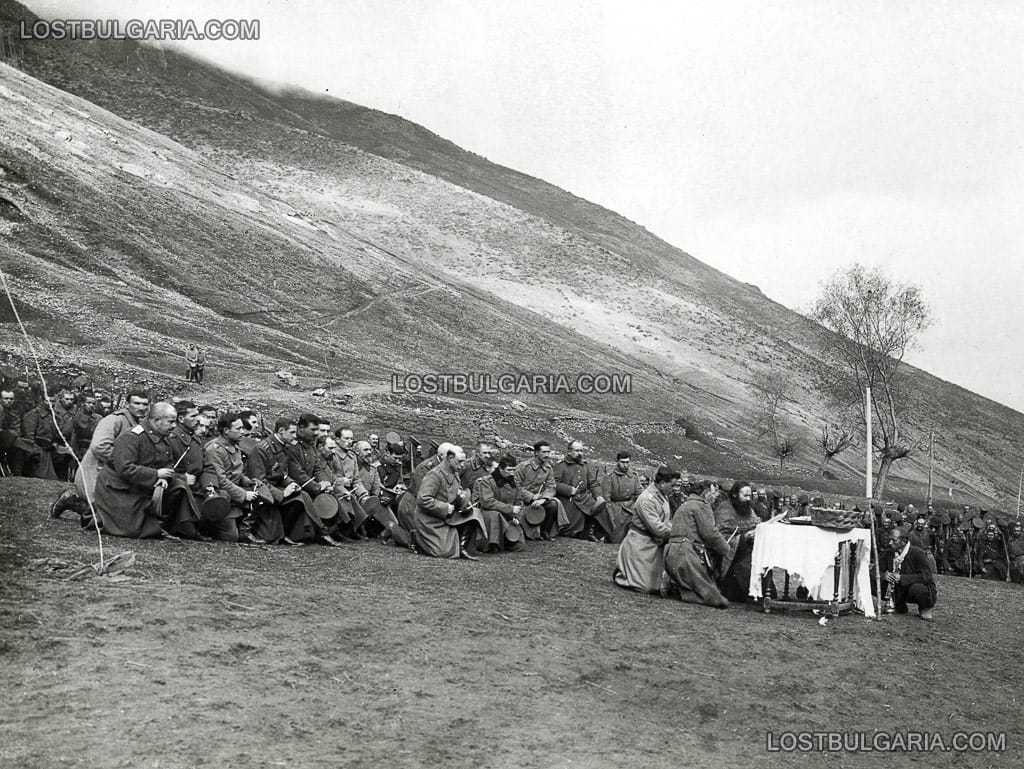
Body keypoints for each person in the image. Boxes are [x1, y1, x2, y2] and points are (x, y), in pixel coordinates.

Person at [92, 402, 199, 539]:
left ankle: (162, 525)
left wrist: (163, 477)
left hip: (144, 486)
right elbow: (125, 469)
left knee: (179, 486)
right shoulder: (131, 437)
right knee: (128, 530)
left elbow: (167, 463)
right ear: (156, 421)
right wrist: (155, 474)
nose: (174, 426)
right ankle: (80, 505)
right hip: (120, 488)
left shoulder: (164, 438)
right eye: (171, 422)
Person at [50, 390, 151, 521]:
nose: (141, 408)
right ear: (127, 404)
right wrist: (125, 462)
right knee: (107, 516)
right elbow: (100, 447)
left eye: (145, 404)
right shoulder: (114, 420)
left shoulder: (138, 424)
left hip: (114, 473)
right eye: (137, 403)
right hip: (95, 472)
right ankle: (70, 500)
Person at [661, 477, 731, 607]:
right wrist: (726, 549)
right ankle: (674, 585)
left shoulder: (685, 505)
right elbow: (710, 533)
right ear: (705, 494)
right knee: (718, 599)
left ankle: (673, 583)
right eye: (713, 493)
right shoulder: (702, 506)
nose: (715, 496)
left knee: (698, 586)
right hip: (687, 554)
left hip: (670, 552)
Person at [613, 466, 678, 593]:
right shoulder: (646, 499)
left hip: (653, 543)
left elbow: (665, 520)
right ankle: (622, 573)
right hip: (640, 543)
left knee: (655, 586)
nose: (674, 488)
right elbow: (657, 528)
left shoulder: (662, 495)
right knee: (644, 587)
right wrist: (677, 532)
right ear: (662, 483)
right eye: (672, 485)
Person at [415, 445, 485, 559]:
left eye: (463, 461)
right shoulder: (434, 475)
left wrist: (463, 498)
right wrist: (445, 507)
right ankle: (417, 539)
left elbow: (457, 489)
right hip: (430, 518)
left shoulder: (455, 472)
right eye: (460, 461)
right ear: (450, 458)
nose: (462, 465)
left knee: (474, 513)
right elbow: (423, 499)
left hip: (447, 515)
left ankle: (463, 547)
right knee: (443, 552)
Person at [205, 412, 260, 542]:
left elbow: (236, 472)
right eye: (238, 429)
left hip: (233, 493)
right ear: (226, 431)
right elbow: (220, 480)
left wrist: (247, 481)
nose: (242, 432)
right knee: (231, 537)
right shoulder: (215, 449)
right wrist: (244, 494)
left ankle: (245, 530)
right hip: (221, 496)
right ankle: (206, 527)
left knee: (261, 492)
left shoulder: (234, 446)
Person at [714, 481, 759, 602]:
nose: (748, 499)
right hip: (732, 553)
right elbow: (721, 535)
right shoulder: (724, 508)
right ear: (735, 495)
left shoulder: (749, 509)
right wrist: (744, 537)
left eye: (750, 496)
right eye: (745, 496)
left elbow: (756, 522)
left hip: (747, 548)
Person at [514, 441, 568, 540]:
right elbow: (516, 486)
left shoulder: (548, 469)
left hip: (539, 499)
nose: (547, 455)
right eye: (544, 452)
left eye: (548, 452)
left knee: (553, 505)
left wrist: (543, 499)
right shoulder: (523, 467)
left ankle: (545, 531)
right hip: (522, 499)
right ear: (536, 453)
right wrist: (531, 497)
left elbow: (551, 487)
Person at [553, 440, 605, 541]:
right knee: (569, 526)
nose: (580, 453)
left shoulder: (584, 466)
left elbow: (593, 483)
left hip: (583, 497)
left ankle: (589, 532)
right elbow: (554, 483)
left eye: (581, 450)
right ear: (569, 451)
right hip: (568, 499)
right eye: (577, 451)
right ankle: (575, 532)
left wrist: (598, 495)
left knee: (598, 506)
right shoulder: (561, 466)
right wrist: (569, 490)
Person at [473, 454, 525, 552]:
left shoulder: (515, 483)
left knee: (519, 546)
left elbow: (518, 501)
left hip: (508, 515)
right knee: (495, 515)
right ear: (500, 469)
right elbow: (487, 502)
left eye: (514, 470)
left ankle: (504, 541)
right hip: (489, 515)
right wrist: (510, 509)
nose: (512, 473)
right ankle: (492, 543)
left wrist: (516, 517)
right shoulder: (487, 481)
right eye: (509, 470)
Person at [884, 526, 937, 621]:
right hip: (897, 588)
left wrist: (902, 578)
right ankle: (898, 604)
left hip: (913, 587)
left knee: (919, 589)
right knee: (873, 580)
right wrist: (884, 576)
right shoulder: (888, 553)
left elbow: (926, 576)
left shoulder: (918, 553)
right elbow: (875, 569)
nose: (890, 543)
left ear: (903, 541)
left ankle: (925, 608)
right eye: (889, 540)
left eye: (893, 540)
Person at [597, 452, 641, 544]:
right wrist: (610, 516)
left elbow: (639, 493)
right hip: (616, 509)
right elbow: (606, 499)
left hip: (631, 508)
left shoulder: (634, 476)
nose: (625, 465)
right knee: (615, 538)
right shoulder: (610, 477)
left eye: (627, 462)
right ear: (617, 462)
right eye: (623, 462)